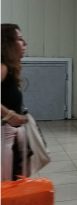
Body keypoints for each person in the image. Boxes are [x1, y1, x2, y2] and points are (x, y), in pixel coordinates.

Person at [1, 23, 29, 181]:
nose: (24, 44)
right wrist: (9, 114)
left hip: (10, 139)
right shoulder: (2, 67)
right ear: (7, 43)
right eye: (19, 39)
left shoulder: (9, 69)